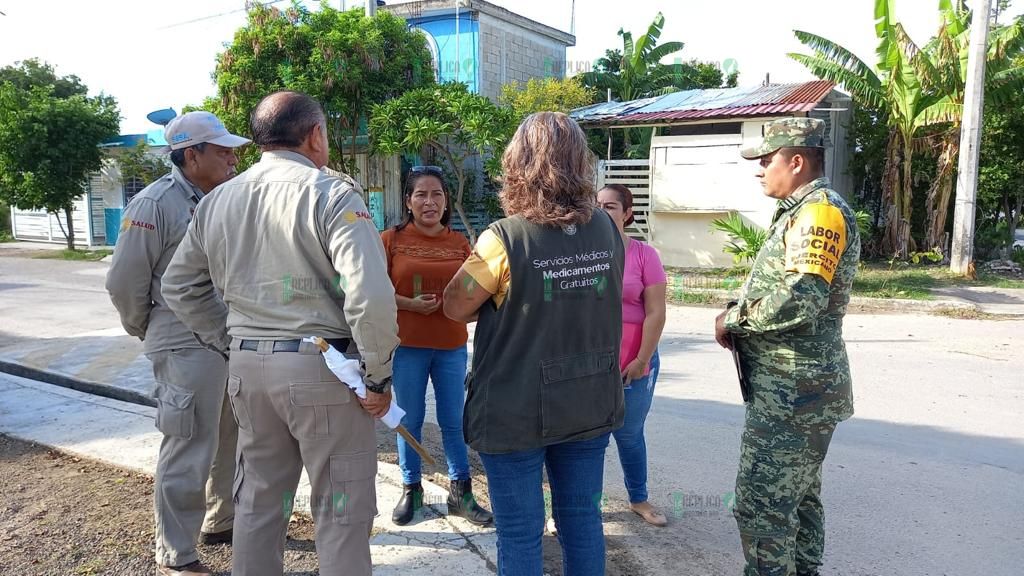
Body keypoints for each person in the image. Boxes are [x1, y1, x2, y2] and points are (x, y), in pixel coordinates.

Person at [160, 91, 400, 576]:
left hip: (249, 369)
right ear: (315, 135)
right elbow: (370, 296)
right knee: (340, 507)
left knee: (259, 501)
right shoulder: (331, 194)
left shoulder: (218, 199)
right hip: (323, 371)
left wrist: (229, 340)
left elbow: (178, 285)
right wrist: (377, 376)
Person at [443, 112, 625, 576]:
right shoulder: (607, 229)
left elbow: (455, 307)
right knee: (583, 522)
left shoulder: (503, 239)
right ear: (581, 165)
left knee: (521, 532)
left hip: (515, 409)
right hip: (588, 402)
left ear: (518, 165)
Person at [714, 117, 860, 576]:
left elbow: (803, 297)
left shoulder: (818, 211)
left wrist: (734, 319)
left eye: (766, 160)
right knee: (798, 499)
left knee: (763, 505)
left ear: (796, 162)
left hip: (794, 394)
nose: (759, 169)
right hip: (796, 391)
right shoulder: (804, 209)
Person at [106, 111, 248, 576]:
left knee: (231, 437)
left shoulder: (224, 199)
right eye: (222, 149)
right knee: (187, 445)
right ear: (191, 155)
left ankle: (220, 520)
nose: (232, 156)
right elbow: (125, 282)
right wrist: (146, 328)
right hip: (184, 342)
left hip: (226, 338)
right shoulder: (155, 204)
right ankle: (176, 554)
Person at [380, 166, 493, 527]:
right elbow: (372, 292)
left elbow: (479, 292)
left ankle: (461, 492)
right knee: (409, 420)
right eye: (421, 195)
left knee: (453, 420)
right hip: (407, 347)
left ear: (446, 202)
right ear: (408, 202)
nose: (430, 202)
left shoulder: (461, 245)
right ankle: (411, 489)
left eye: (437, 195)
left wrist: (465, 310)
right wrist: (409, 305)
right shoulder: (390, 241)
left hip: (451, 346)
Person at [597, 183, 668, 527]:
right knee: (587, 439)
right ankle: (582, 505)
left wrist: (641, 360)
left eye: (610, 207)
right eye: (597, 206)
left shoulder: (644, 256)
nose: (602, 213)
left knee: (628, 434)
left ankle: (638, 498)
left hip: (635, 364)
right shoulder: (584, 255)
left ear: (627, 214)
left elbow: (656, 312)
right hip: (593, 367)